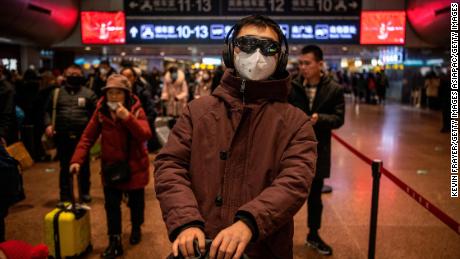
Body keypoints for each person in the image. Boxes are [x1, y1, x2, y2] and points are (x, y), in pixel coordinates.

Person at [154, 15, 317, 259]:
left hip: (263, 249)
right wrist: (186, 221)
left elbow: (294, 182)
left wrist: (250, 223)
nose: (257, 55)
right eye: (248, 44)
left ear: (280, 58)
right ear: (231, 52)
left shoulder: (296, 123)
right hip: (201, 247)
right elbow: (170, 165)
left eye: (268, 47)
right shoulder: (197, 112)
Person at [70, 74, 152, 258]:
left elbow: (145, 135)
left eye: (118, 93)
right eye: (110, 93)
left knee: (136, 204)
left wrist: (127, 117)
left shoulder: (137, 110)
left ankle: (136, 228)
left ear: (127, 95)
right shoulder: (101, 112)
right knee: (112, 206)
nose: (114, 97)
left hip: (134, 167)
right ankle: (114, 241)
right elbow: (87, 137)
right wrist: (76, 160)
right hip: (111, 168)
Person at [288, 44, 345, 256]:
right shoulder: (292, 86)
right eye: (300, 63)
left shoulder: (334, 89)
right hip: (292, 150)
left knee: (314, 197)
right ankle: (280, 237)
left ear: (320, 64)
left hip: (319, 150)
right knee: (285, 195)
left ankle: (313, 234)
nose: (303, 67)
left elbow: (339, 119)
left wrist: (319, 119)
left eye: (307, 63)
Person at [44, 64, 97, 204]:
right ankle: (65, 194)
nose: (73, 77)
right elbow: (46, 111)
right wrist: (48, 124)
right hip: (62, 136)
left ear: (81, 76)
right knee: (64, 166)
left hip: (83, 137)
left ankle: (84, 193)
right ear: (65, 75)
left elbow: (96, 115)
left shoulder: (89, 94)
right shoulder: (56, 93)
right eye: (70, 74)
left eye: (76, 74)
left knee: (84, 167)